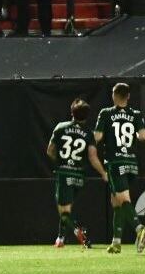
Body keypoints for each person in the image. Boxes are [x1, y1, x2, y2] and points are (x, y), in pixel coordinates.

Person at [93, 83, 145, 254]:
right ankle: (116, 242)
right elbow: (144, 135)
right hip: (131, 163)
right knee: (115, 200)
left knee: (123, 200)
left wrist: (97, 136)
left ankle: (139, 228)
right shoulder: (136, 114)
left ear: (115, 96)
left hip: (115, 163)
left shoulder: (106, 113)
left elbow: (98, 136)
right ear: (129, 96)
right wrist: (137, 136)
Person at [45, 98, 107, 249]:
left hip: (64, 172)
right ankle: (60, 239)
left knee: (64, 212)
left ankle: (81, 235)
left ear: (71, 112)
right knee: (67, 210)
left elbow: (50, 151)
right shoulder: (88, 133)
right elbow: (93, 157)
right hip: (79, 176)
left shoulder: (61, 127)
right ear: (86, 116)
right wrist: (104, 173)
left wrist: (60, 162)